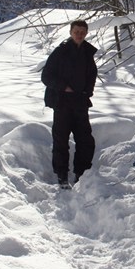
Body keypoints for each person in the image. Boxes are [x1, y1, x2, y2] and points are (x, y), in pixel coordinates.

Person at [41, 20, 98, 188]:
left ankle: (81, 173)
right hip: (62, 103)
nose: (79, 34)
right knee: (61, 140)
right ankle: (62, 175)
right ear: (70, 32)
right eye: (76, 31)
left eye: (82, 31)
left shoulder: (88, 52)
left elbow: (92, 76)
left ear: (86, 33)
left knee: (85, 140)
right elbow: (46, 76)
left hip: (80, 103)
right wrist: (63, 87)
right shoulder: (60, 52)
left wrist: (88, 92)